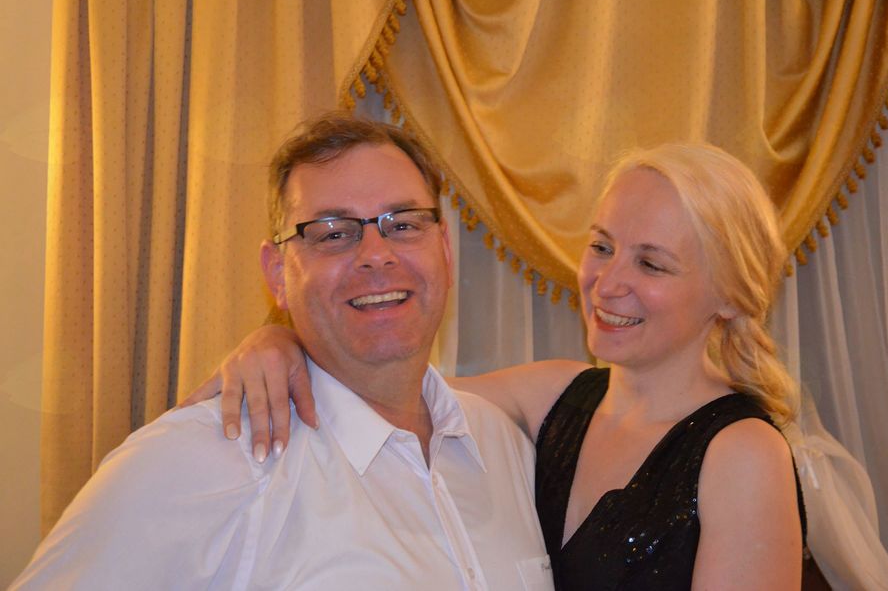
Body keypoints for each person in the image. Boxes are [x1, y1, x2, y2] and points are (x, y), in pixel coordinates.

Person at [186, 141, 807, 589]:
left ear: (730, 295)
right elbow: (377, 386)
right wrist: (281, 340)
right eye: (601, 247)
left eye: (651, 264)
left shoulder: (743, 454)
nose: (608, 282)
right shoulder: (553, 396)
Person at [13, 114, 553, 590]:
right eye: (333, 233)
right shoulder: (197, 462)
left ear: (445, 252)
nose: (376, 255)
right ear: (277, 275)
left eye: (404, 224)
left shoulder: (505, 449)